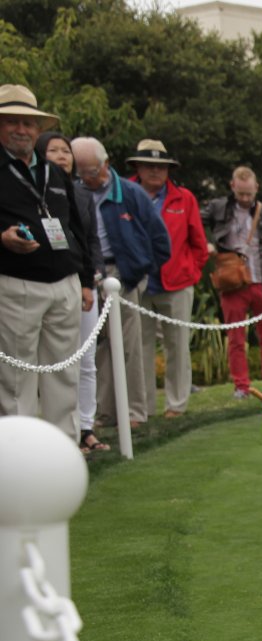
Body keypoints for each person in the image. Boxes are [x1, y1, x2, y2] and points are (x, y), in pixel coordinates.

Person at [0, 85, 94, 440]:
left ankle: (65, 449)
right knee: (15, 379)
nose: (21, 129)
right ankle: (19, 454)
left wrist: (85, 280)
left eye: (28, 123)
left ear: (38, 129)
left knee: (64, 372)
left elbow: (76, 228)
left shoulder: (54, 172)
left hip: (65, 282)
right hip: (15, 282)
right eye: (12, 122)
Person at [74, 137, 169, 428]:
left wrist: (140, 272)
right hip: (90, 273)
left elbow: (159, 240)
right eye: (81, 172)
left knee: (129, 345)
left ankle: (134, 411)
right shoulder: (76, 191)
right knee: (99, 345)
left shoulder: (130, 192)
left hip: (124, 273)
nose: (87, 178)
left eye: (92, 171)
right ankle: (105, 412)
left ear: (105, 164)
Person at [36, 130, 108, 452]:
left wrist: (89, 280)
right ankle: (47, 434)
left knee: (85, 360)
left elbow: (90, 240)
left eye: (66, 151)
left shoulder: (81, 194)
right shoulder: (32, 189)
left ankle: (85, 427)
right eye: (53, 150)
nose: (62, 156)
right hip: (42, 283)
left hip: (81, 285)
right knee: (49, 364)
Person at [128, 140, 207, 418]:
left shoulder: (184, 198)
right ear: (138, 167)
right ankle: (143, 407)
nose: (155, 171)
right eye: (149, 165)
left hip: (176, 284)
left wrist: (189, 271)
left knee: (177, 345)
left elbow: (199, 244)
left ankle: (176, 404)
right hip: (135, 283)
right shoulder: (124, 193)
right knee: (139, 348)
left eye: (161, 167)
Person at [202, 166, 262, 398]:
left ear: (256, 188)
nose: (246, 198)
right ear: (232, 187)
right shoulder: (218, 207)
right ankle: (241, 386)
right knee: (236, 338)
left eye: (249, 194)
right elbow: (194, 222)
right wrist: (207, 244)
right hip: (233, 281)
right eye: (241, 194)